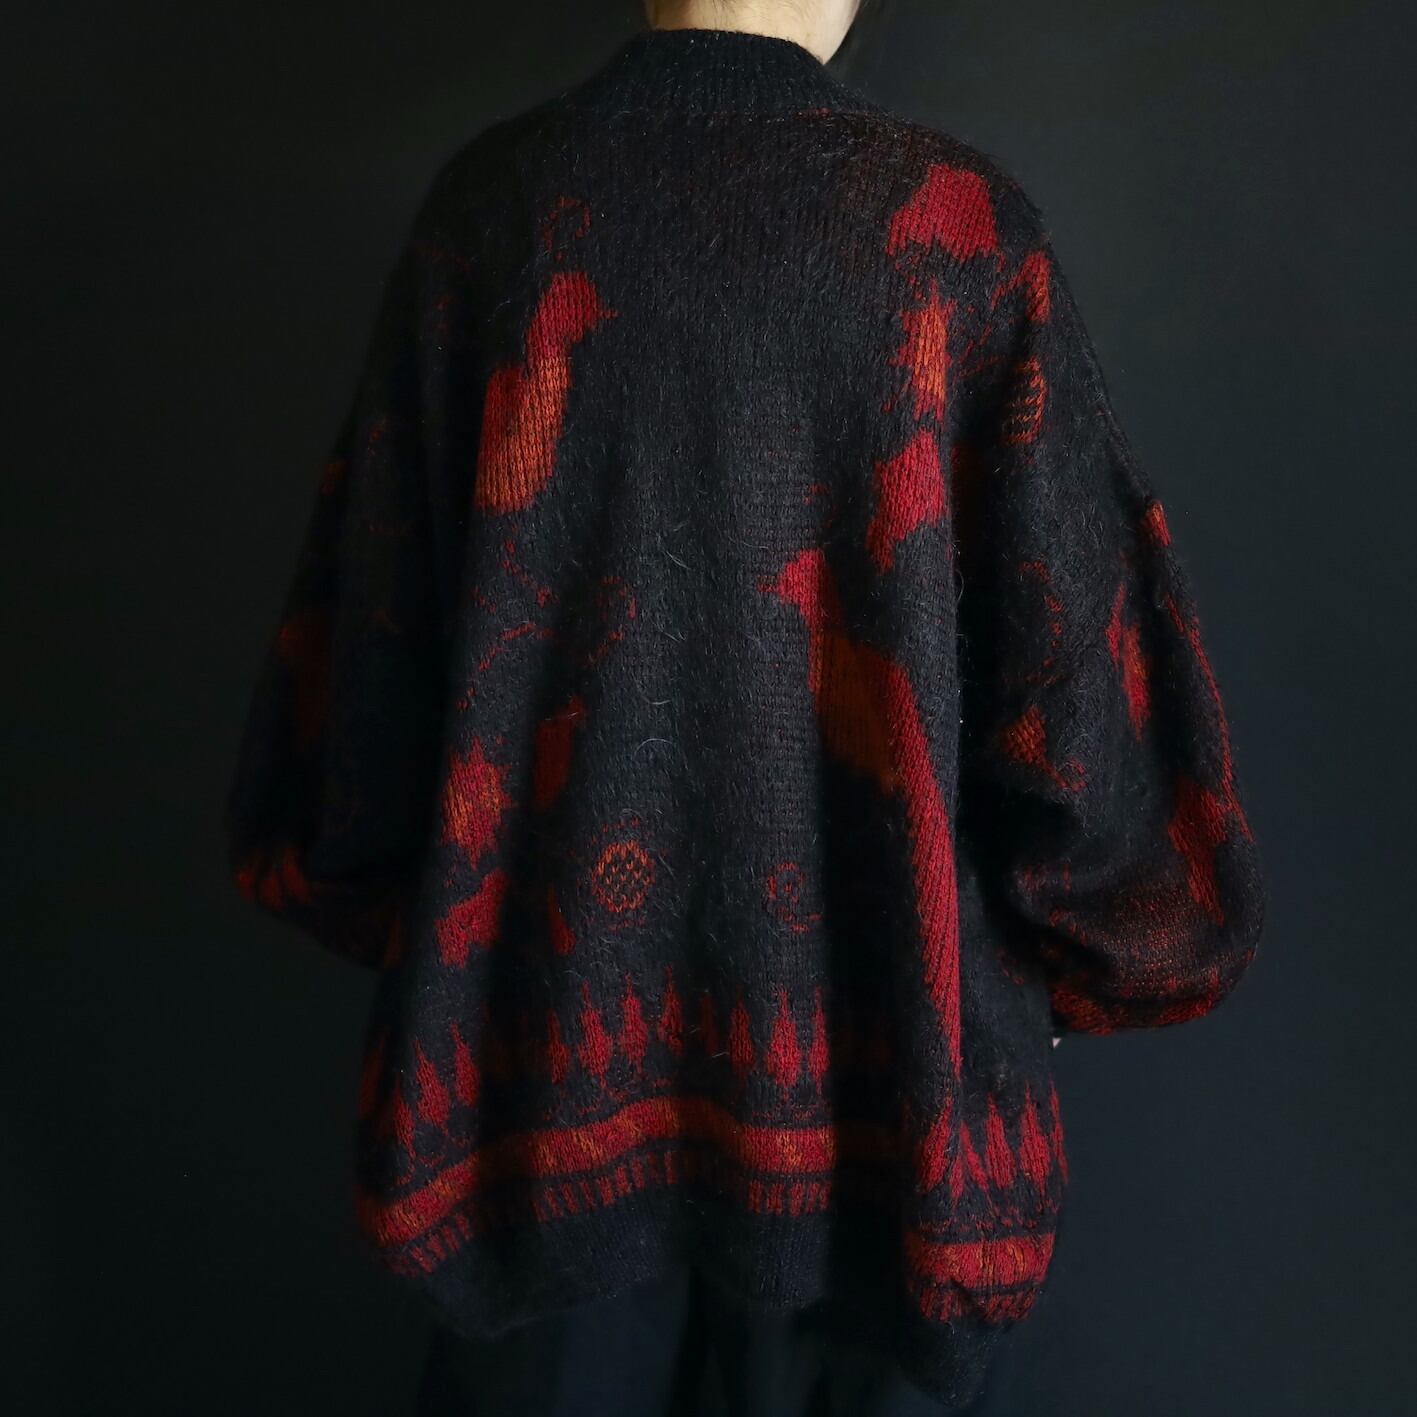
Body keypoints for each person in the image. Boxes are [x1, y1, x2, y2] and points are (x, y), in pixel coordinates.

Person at [222, 1, 1267, 1412]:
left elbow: (358, 719)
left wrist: (390, 900)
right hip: (889, 1155)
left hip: (531, 1132)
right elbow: (1088, 721)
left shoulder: (490, 220)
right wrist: (1104, 949)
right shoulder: (954, 238)